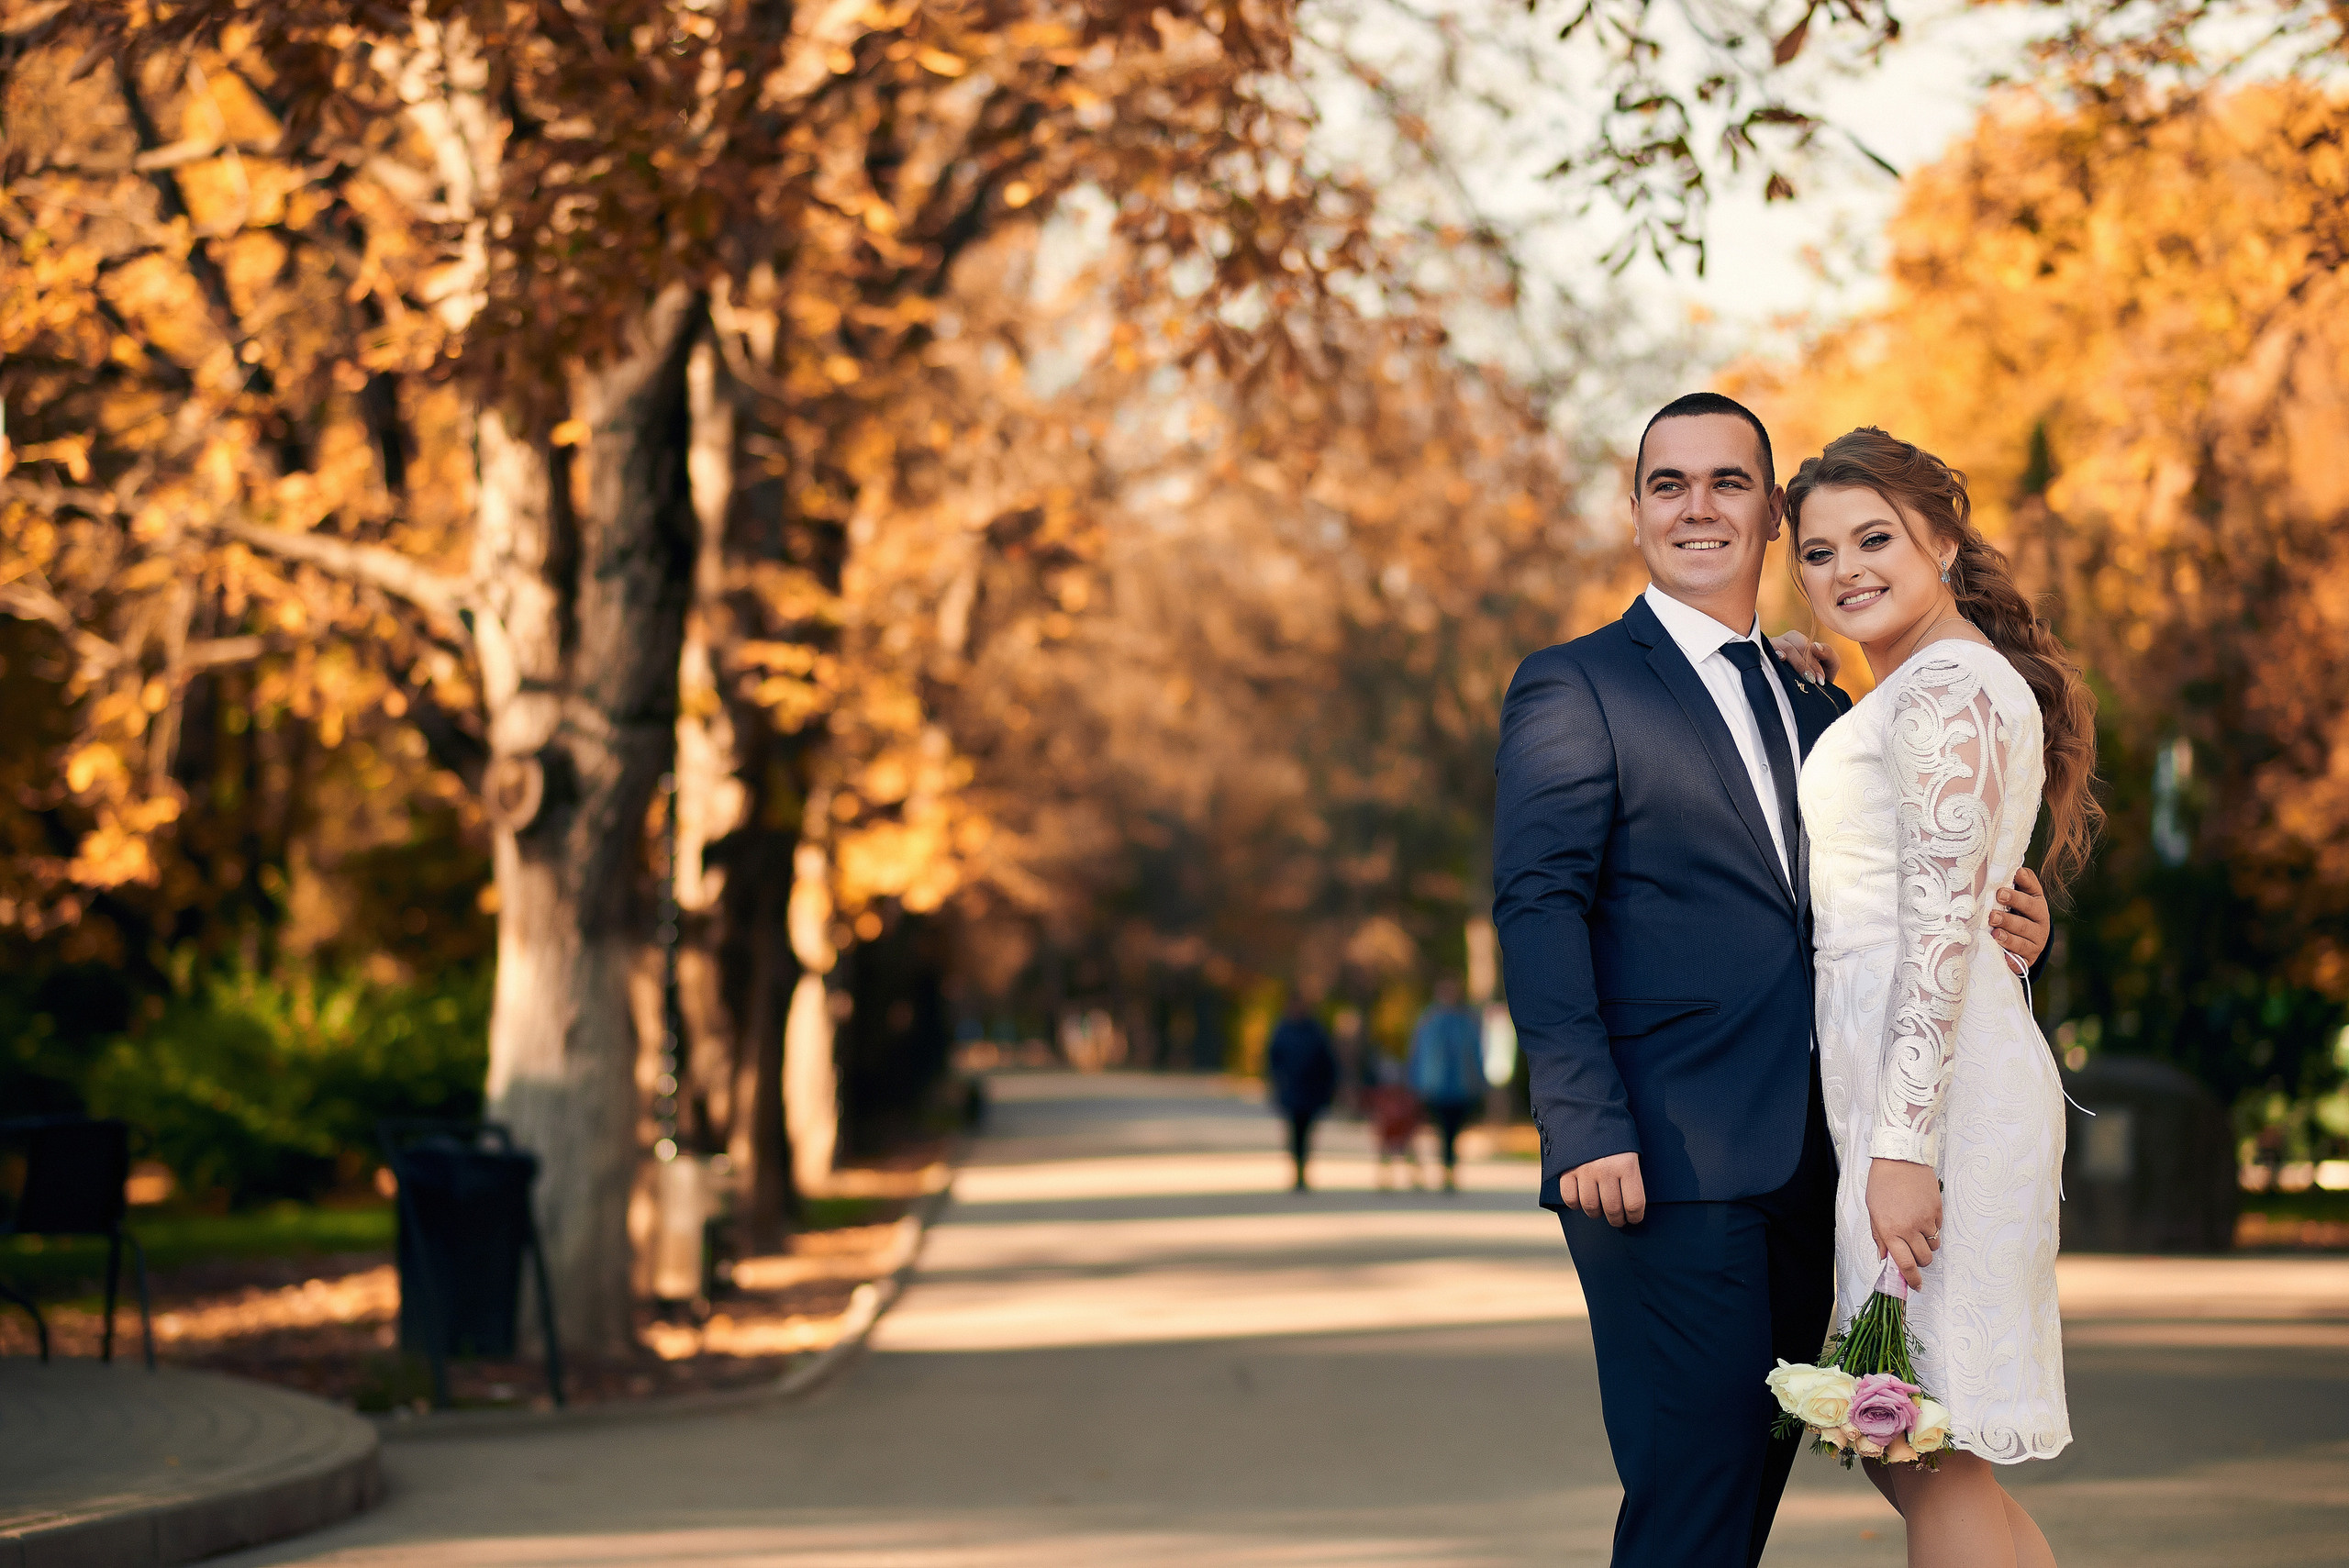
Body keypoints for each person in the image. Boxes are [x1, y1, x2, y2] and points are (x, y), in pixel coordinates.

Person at [1492, 392, 2054, 1568]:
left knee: (1846, 1471)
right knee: (1697, 1496)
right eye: (1667, 483)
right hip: (1662, 1164)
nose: (1696, 506)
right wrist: (1581, 1118)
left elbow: (1895, 891)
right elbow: (1538, 905)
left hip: (1823, 1162)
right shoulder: (1575, 684)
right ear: (1636, 512)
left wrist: (2012, 922)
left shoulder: (1818, 697)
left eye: (1728, 482)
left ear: (1765, 516)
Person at [1791, 428, 2096, 1567]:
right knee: (1916, 1439)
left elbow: (1935, 937)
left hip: (1932, 1100)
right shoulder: (1923, 682)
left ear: (1943, 542)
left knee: (1918, 1438)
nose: (1846, 569)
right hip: (1904, 1082)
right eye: (1818, 551)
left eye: (1874, 538)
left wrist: (1902, 1146)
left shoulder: (1950, 686)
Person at [1407, 977, 1486, 1190]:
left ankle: (1448, 1168)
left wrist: (1479, 1082)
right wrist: (1414, 1081)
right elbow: (1417, 1053)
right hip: (1434, 1087)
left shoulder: (1467, 1020)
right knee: (1434, 1130)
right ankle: (1429, 1168)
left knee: (1452, 1130)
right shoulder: (1429, 1019)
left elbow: (1476, 1054)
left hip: (1460, 1088)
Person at [1264, 994, 1338, 1192]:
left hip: (1311, 1091)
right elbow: (1273, 1059)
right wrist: (1277, 1082)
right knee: (1294, 1132)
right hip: (1291, 1091)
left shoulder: (1315, 1031)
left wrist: (1329, 1087)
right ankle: (1297, 1171)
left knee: (1307, 1133)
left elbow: (1327, 1061)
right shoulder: (1283, 1031)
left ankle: (1303, 1169)